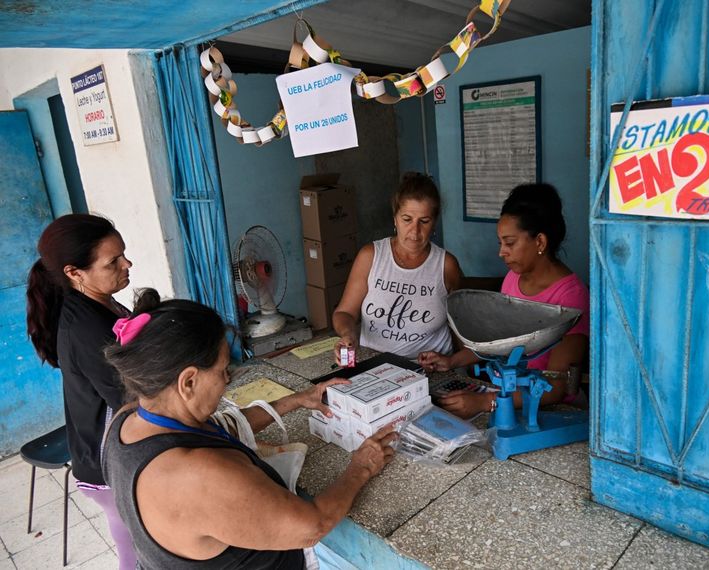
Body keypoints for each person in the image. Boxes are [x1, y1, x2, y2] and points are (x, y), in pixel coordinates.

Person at [101, 289, 397, 569]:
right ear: (188, 382)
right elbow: (312, 527)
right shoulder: (199, 476)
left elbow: (222, 426)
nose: (227, 380)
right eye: (222, 370)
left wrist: (297, 400)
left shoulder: (128, 420)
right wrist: (361, 467)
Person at [419, 183, 590, 418]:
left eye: (510, 243)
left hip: (553, 411)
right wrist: (451, 361)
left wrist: (485, 402)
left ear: (540, 242)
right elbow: (498, 343)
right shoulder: (513, 278)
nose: (502, 252)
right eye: (500, 243)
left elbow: (557, 387)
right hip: (506, 396)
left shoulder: (571, 296)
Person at [25, 213, 137, 568]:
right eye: (113, 261)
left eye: (123, 254)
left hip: (107, 452)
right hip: (107, 468)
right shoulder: (87, 330)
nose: (127, 264)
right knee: (137, 556)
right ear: (75, 273)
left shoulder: (98, 302)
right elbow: (133, 402)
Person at [332, 172, 463, 362]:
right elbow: (344, 312)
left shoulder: (446, 266)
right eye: (407, 219)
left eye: (424, 221)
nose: (414, 231)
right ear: (395, 218)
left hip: (428, 369)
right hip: (374, 365)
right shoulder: (371, 256)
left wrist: (454, 364)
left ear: (434, 222)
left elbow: (461, 326)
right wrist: (348, 334)